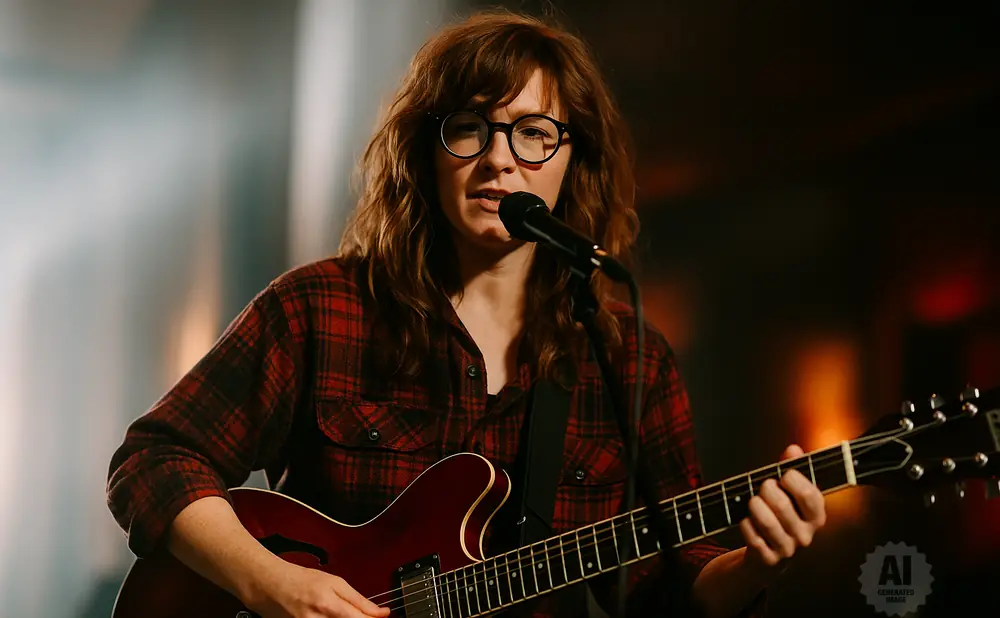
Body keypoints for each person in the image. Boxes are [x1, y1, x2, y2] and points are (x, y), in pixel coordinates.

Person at [106, 9, 827, 618]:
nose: (500, 162)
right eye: (469, 129)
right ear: (427, 151)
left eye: (533, 132)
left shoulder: (631, 358)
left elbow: (676, 581)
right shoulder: (320, 309)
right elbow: (153, 460)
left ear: (573, 158)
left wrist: (757, 563)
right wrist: (272, 586)